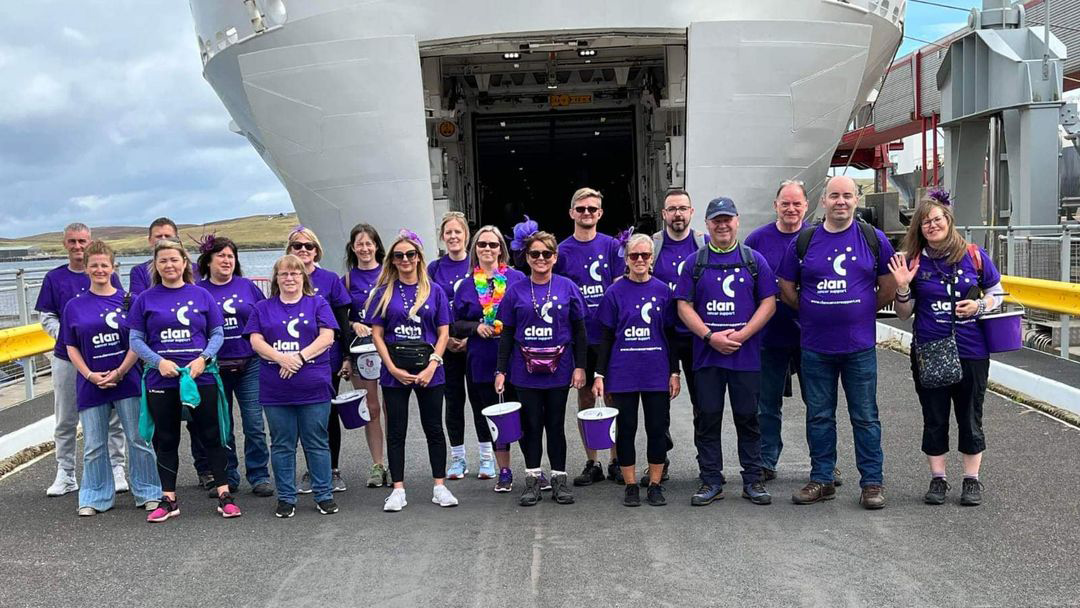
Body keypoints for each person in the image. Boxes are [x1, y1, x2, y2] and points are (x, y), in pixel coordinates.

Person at [777, 175, 896, 509]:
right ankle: (822, 479)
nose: (840, 201)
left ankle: (872, 483)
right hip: (816, 347)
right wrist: (810, 310)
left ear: (856, 200)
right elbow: (786, 286)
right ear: (823, 201)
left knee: (865, 416)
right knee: (818, 416)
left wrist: (864, 309)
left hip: (859, 347)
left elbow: (887, 283)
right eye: (834, 196)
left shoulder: (873, 239)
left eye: (847, 196)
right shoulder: (804, 241)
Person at [888, 196, 1003, 506]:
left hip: (971, 350)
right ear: (920, 229)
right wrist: (901, 287)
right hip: (929, 348)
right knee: (934, 415)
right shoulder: (914, 261)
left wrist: (980, 305)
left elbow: (998, 292)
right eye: (926, 222)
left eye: (938, 219)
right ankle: (938, 479)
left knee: (970, 414)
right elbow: (903, 313)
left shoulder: (974, 256)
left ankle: (971, 480)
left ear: (949, 221)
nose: (932, 225)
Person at [127, 239, 239, 522]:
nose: (169, 265)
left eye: (174, 260)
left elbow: (217, 334)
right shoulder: (145, 299)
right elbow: (135, 339)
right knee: (165, 439)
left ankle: (225, 494)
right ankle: (168, 499)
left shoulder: (202, 295)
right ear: (156, 265)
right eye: (163, 260)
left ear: (184, 263)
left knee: (212, 435)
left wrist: (204, 359)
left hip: (200, 377)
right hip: (161, 378)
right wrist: (158, 362)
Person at [675, 197, 777, 507]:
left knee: (748, 418)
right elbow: (683, 305)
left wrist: (744, 334)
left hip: (745, 358)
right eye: (716, 220)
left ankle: (752, 480)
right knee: (708, 418)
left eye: (727, 219)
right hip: (707, 356)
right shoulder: (695, 262)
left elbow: (769, 303)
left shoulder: (754, 260)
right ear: (706, 224)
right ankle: (711, 480)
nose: (722, 224)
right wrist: (709, 336)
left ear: (737, 221)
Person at [61, 240, 161, 516]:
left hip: (127, 380)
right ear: (86, 269)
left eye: (105, 265)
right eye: (94, 265)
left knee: (138, 439)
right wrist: (90, 375)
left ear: (113, 267)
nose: (100, 270)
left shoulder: (130, 301)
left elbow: (138, 341)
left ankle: (148, 491)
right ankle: (94, 496)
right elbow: (70, 346)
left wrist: (120, 371)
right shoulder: (74, 306)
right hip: (90, 384)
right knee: (94, 443)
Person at [744, 180, 828, 483]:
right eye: (785, 203)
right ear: (775, 205)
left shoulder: (818, 238)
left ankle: (823, 464)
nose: (791, 208)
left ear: (806, 206)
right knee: (767, 404)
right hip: (769, 336)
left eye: (797, 203)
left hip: (812, 337)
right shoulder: (756, 240)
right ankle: (767, 459)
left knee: (819, 405)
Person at [495, 231, 588, 507]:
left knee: (556, 425)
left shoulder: (567, 287)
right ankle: (533, 480)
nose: (540, 259)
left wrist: (580, 366)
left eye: (546, 254)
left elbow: (580, 331)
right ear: (526, 257)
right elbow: (507, 334)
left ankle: (560, 479)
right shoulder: (516, 291)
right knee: (531, 426)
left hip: (559, 369)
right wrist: (501, 370)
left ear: (554, 257)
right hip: (525, 371)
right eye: (534, 254)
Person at [367, 231, 457, 512]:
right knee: (396, 429)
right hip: (395, 369)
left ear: (418, 257)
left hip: (429, 368)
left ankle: (440, 486)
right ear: (392, 260)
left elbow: (444, 333)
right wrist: (391, 368)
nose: (405, 259)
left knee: (434, 428)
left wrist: (433, 364)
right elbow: (377, 335)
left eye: (410, 254)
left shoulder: (435, 290)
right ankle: (398, 489)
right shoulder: (384, 292)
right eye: (398, 255)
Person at [36, 222, 127, 497]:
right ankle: (65, 473)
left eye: (82, 241)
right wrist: (65, 336)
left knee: (114, 417)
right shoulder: (55, 278)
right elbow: (46, 315)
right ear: (65, 243)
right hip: (67, 357)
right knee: (65, 416)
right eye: (73, 241)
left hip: (105, 354)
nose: (78, 246)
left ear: (90, 243)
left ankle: (117, 468)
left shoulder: (106, 274)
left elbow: (121, 308)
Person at [246, 254, 340, 518]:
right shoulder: (263, 308)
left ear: (303, 277)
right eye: (284, 273)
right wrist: (281, 358)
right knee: (282, 443)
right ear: (276, 278)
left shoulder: (317, 303)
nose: (289, 278)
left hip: (313, 386)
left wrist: (297, 358)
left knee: (316, 442)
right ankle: (286, 497)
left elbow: (327, 337)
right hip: (276, 388)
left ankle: (324, 494)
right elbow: (255, 341)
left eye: (295, 273)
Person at [592, 234, 680, 507]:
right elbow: (606, 336)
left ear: (652, 258)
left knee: (656, 429)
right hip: (623, 373)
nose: (639, 260)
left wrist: (674, 372)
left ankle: (654, 483)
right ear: (626, 259)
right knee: (626, 429)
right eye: (634, 256)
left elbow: (671, 333)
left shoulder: (664, 291)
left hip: (656, 372)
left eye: (645, 255)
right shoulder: (614, 293)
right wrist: (599, 374)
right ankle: (630, 485)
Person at [127, 216, 211, 488]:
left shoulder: (195, 271)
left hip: (193, 364)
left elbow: (203, 309)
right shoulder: (141, 272)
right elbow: (143, 312)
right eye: (158, 237)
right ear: (150, 241)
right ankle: (164, 488)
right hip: (160, 364)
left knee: (200, 425)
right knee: (164, 432)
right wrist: (157, 359)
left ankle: (206, 471)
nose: (163, 241)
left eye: (169, 237)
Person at [553, 187, 625, 486]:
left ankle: (616, 460)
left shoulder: (612, 246)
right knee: (584, 395)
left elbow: (622, 286)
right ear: (571, 212)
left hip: (608, 336)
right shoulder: (561, 250)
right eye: (581, 209)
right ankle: (592, 460)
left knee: (612, 396)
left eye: (592, 209)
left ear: (600, 213)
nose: (586, 213)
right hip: (578, 337)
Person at [195, 235, 273, 498]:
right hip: (214, 367)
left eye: (231, 256)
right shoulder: (198, 290)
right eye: (221, 256)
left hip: (249, 363)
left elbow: (265, 317)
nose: (227, 261)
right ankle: (227, 476)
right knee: (221, 425)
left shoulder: (247, 287)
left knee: (254, 423)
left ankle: (259, 475)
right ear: (208, 261)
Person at [452, 226, 527, 492]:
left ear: (501, 250)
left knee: (525, 415)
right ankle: (503, 470)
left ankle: (533, 469)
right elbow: (454, 324)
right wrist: (475, 328)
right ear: (475, 249)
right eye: (482, 245)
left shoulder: (517, 279)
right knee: (495, 417)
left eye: (493, 245)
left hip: (516, 358)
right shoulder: (467, 284)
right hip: (482, 359)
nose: (487, 249)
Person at [285, 227, 352, 492]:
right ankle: (311, 468)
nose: (303, 250)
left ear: (317, 251)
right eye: (297, 246)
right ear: (289, 250)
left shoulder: (330, 279)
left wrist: (347, 356)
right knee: (301, 415)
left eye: (308, 246)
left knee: (327, 414)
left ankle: (332, 469)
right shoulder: (285, 278)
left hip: (327, 358)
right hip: (293, 358)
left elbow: (343, 320)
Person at [648, 189, 706, 485]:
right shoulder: (653, 246)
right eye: (672, 209)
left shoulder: (703, 244)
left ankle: (706, 461)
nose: (678, 214)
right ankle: (662, 459)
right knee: (660, 404)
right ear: (664, 214)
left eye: (683, 208)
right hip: (662, 336)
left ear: (691, 212)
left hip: (696, 336)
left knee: (702, 402)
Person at [427, 212, 474, 479]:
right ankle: (457, 457)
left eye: (458, 232)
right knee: (453, 402)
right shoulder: (434, 269)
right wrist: (446, 340)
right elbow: (429, 306)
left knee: (481, 401)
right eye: (448, 233)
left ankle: (487, 455)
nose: (453, 237)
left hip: (474, 343)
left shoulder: (476, 263)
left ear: (465, 235)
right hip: (446, 344)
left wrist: (470, 337)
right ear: (442, 237)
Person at [342, 223, 390, 488]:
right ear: (353, 248)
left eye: (369, 243)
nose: (364, 248)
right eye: (359, 244)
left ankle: (396, 463)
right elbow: (339, 318)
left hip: (390, 348)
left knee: (391, 407)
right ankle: (377, 464)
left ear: (376, 246)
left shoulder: (389, 274)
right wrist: (353, 324)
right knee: (371, 408)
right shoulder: (347, 280)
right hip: (362, 352)